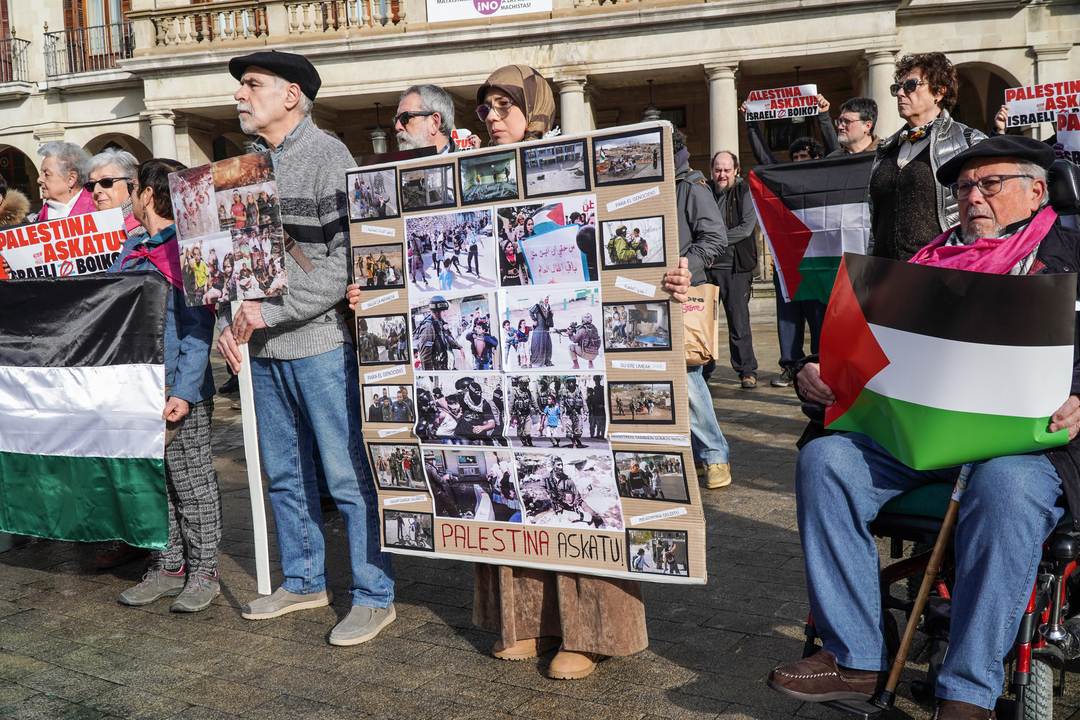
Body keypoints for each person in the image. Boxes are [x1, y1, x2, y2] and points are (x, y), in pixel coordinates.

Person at [767, 136, 1080, 720]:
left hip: (1024, 442)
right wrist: (817, 368)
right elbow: (862, 346)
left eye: (990, 184)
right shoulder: (926, 260)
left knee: (1007, 488)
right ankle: (855, 657)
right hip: (920, 435)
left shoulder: (1070, 255)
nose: (973, 197)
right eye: (964, 187)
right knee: (826, 462)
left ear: (1037, 190)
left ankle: (967, 693)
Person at [471, 65, 649, 682]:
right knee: (515, 476)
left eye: (504, 106)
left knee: (580, 484)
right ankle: (528, 619)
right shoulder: (477, 180)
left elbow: (627, 246)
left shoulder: (581, 170)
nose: (492, 118)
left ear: (536, 109)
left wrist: (665, 276)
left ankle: (591, 631)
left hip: (575, 352)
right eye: (486, 108)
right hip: (503, 356)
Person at [216, 50, 395, 646]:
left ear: (291, 95)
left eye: (252, 84)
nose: (240, 95)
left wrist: (268, 312)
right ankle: (303, 581)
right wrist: (227, 319)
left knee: (347, 478)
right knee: (284, 476)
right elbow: (229, 263)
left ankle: (374, 595)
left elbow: (347, 260)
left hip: (320, 346)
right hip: (263, 350)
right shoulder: (243, 168)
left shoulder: (329, 157)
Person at [108, 158, 222, 613]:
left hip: (178, 390)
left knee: (192, 485)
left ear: (148, 195)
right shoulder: (132, 249)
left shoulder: (187, 253)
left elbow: (198, 329)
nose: (130, 198)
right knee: (157, 486)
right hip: (140, 387)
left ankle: (204, 572)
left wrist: (184, 392)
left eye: (133, 189)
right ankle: (167, 566)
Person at [868, 52, 986, 262]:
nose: (900, 93)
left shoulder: (969, 141)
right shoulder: (886, 149)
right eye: (897, 88)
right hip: (886, 272)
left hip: (939, 268)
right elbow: (874, 223)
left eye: (910, 86)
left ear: (939, 92)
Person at [672, 129, 732, 490]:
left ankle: (714, 455)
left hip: (680, 293)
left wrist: (686, 266)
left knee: (689, 374)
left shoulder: (691, 185)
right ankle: (697, 454)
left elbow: (715, 238)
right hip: (646, 294)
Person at [706, 150, 759, 389]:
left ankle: (746, 370)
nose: (722, 175)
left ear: (736, 170)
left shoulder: (744, 190)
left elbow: (746, 228)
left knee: (738, 322)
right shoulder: (704, 190)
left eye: (727, 170)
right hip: (707, 268)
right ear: (711, 170)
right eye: (718, 170)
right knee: (704, 323)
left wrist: (712, 242)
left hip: (736, 268)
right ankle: (703, 369)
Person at [35, 142, 94, 221]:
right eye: (41, 173)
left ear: (71, 179)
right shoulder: (40, 215)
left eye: (47, 174)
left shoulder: (96, 210)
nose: (39, 180)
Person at [395, 84, 456, 154]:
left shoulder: (464, 161)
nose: (397, 126)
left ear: (434, 123)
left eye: (405, 118)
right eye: (397, 120)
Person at [413, 295, 464, 370]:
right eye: (443, 311)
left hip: (444, 366)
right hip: (437, 370)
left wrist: (459, 347)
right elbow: (425, 356)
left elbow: (445, 338)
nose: (445, 314)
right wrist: (431, 375)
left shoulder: (438, 323)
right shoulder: (428, 327)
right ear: (437, 312)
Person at [529, 295, 555, 367]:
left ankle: (547, 361)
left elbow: (548, 317)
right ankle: (538, 361)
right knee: (538, 345)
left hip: (545, 328)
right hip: (539, 328)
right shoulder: (538, 306)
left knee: (547, 345)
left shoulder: (548, 306)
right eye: (545, 299)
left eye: (547, 299)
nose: (546, 301)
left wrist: (551, 314)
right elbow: (530, 312)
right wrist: (535, 320)